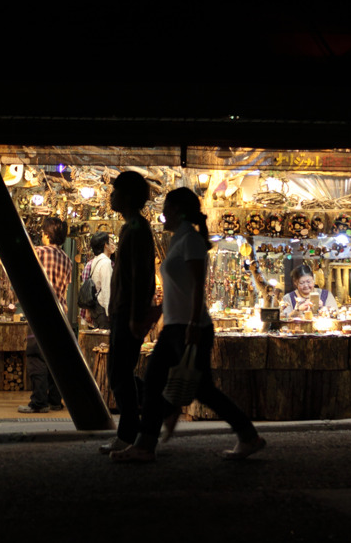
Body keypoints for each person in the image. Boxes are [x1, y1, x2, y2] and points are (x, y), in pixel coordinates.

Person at [112, 187, 265, 463]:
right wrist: (155, 315)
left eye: (167, 209)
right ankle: (148, 442)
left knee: (195, 388)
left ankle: (246, 436)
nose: (162, 214)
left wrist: (193, 323)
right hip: (176, 326)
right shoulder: (179, 240)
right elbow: (177, 289)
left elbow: (197, 286)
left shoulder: (191, 241)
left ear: (178, 212)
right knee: (160, 381)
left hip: (189, 327)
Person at [99, 171, 157, 454]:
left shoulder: (136, 228)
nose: (111, 196)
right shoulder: (132, 227)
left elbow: (140, 276)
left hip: (128, 313)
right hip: (124, 311)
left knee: (119, 373)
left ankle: (131, 433)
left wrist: (135, 315)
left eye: (116, 191)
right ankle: (130, 432)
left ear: (128, 196)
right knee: (120, 372)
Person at [19, 217, 74, 413]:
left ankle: (39, 403)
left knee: (36, 357)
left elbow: (10, 258)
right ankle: (55, 401)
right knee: (55, 359)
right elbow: (65, 294)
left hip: (39, 313)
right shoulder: (67, 260)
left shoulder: (38, 252)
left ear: (46, 234)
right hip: (60, 315)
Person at [80, 231, 114, 330]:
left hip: (96, 309)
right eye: (109, 242)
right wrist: (109, 313)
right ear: (105, 245)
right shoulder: (106, 263)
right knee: (105, 342)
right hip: (103, 310)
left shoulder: (95, 261)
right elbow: (106, 289)